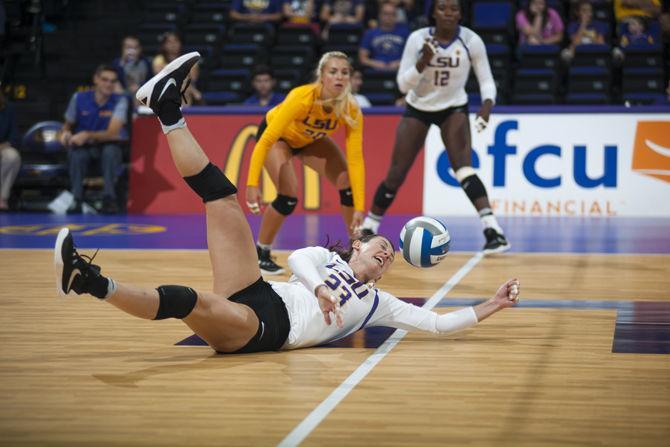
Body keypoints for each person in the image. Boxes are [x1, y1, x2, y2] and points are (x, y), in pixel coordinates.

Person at [54, 51, 521, 356]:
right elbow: (298, 259)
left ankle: (91, 282)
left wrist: (493, 304)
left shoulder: (380, 302)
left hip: (264, 328)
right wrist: (319, 287)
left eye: (389, 258)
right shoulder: (322, 257)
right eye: (381, 247)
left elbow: (439, 326)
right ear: (356, 248)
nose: (386, 253)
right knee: (222, 195)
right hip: (258, 290)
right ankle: (168, 109)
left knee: (187, 299)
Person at [360, 0, 510, 254]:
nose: (448, 13)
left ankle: (493, 230)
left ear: (461, 13)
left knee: (463, 169)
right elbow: (403, 85)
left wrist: (486, 105)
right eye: (442, 8)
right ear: (433, 13)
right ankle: (369, 226)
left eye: (454, 9)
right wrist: (423, 62)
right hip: (418, 107)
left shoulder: (470, 40)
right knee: (396, 173)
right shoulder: (418, 40)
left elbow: (486, 79)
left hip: (453, 108)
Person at [245, 51, 366, 275]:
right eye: (333, 72)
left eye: (344, 72)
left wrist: (360, 206)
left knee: (346, 184)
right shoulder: (302, 97)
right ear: (322, 76)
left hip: (310, 139)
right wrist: (252, 184)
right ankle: (261, 253)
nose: (339, 77)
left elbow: (356, 160)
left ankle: (356, 249)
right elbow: (266, 140)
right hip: (279, 138)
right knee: (288, 197)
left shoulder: (351, 109)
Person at [58, 64, 128, 214]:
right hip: (84, 148)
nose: (109, 84)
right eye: (105, 80)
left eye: (112, 81)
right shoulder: (78, 98)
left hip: (107, 146)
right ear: (96, 79)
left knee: (111, 152)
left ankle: (109, 199)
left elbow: (112, 132)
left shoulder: (120, 101)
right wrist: (65, 135)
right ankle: (76, 199)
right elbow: (66, 126)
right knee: (76, 153)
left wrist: (87, 135)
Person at [152, 32, 202, 106]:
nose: (173, 44)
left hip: (186, 89)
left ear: (180, 43)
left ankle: (184, 115)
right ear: (164, 45)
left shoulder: (190, 59)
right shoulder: (159, 59)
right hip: (164, 89)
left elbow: (193, 78)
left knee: (185, 89)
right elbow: (160, 78)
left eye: (176, 41)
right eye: (169, 42)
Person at [358, 1, 409, 72]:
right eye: (385, 13)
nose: (389, 17)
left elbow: (411, 57)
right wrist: (376, 64)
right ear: (379, 15)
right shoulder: (370, 33)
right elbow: (362, 58)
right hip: (375, 72)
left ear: (396, 16)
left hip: (399, 71)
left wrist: (398, 63)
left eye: (392, 14)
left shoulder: (404, 33)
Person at [112, 35, 153, 107]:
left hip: (141, 95)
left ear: (140, 49)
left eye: (135, 48)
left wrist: (140, 86)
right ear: (123, 49)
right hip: (124, 95)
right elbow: (115, 82)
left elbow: (150, 81)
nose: (132, 51)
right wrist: (123, 62)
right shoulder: (117, 63)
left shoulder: (146, 63)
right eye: (128, 47)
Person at [0, 90, 20, 211]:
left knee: (13, 157)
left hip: (2, 147)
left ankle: (2, 197)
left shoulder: (8, 108)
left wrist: (3, 146)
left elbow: (14, 136)